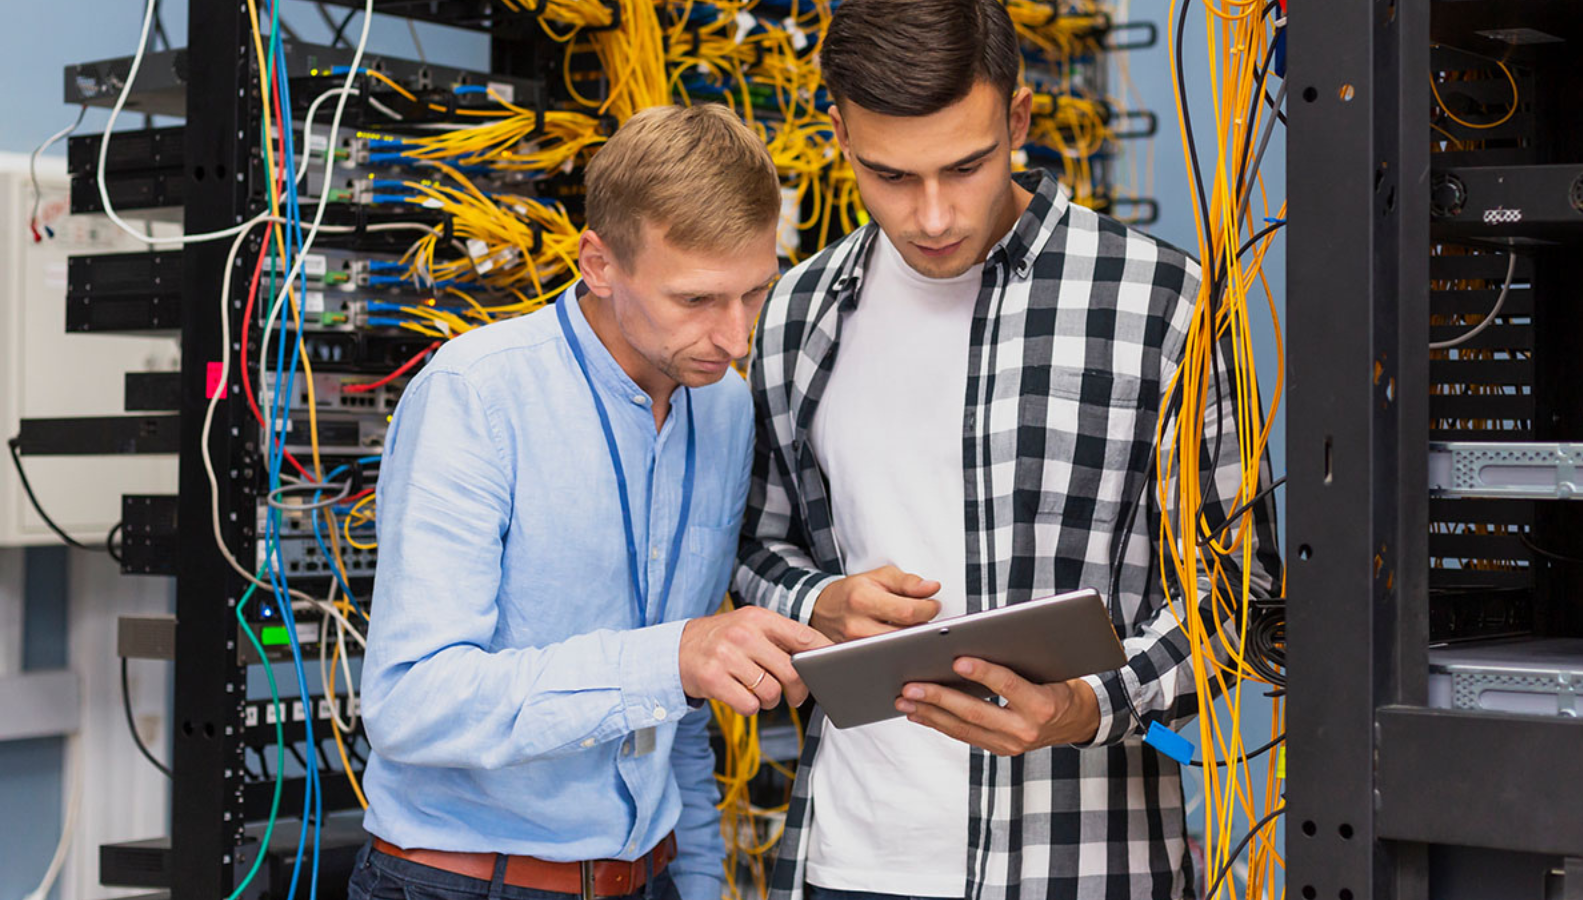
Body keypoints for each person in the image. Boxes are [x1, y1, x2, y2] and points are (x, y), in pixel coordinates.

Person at [734, 2, 1282, 898]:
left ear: (1018, 121)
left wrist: (1086, 706)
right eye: (891, 176)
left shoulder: (1161, 303)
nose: (934, 214)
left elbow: (1236, 598)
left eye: (967, 164)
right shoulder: (798, 313)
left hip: (1081, 867)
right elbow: (758, 547)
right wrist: (820, 601)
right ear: (838, 135)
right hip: (848, 864)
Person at [352, 103, 828, 900]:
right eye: (697, 300)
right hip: (460, 882)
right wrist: (670, 657)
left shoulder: (723, 406)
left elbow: (676, 712)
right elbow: (411, 703)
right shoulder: (477, 396)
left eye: (754, 294)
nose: (736, 337)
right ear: (599, 264)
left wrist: (701, 878)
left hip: (652, 874)